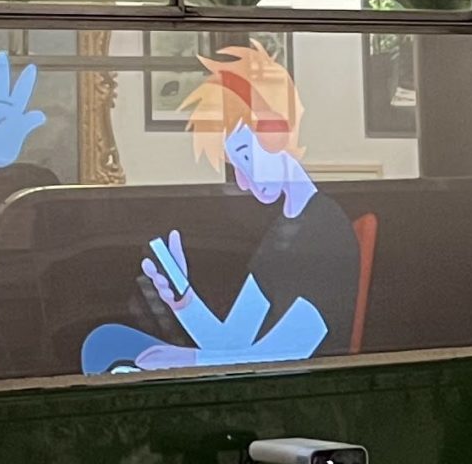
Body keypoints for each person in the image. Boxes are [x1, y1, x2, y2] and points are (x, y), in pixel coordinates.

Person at [80, 45, 360, 374]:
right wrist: (182, 299)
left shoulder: (326, 231)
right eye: (233, 165)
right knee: (105, 342)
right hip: (249, 371)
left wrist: (186, 361)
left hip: (286, 385)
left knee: (108, 355)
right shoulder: (282, 231)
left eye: (244, 156)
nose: (242, 181)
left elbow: (290, 354)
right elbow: (229, 340)